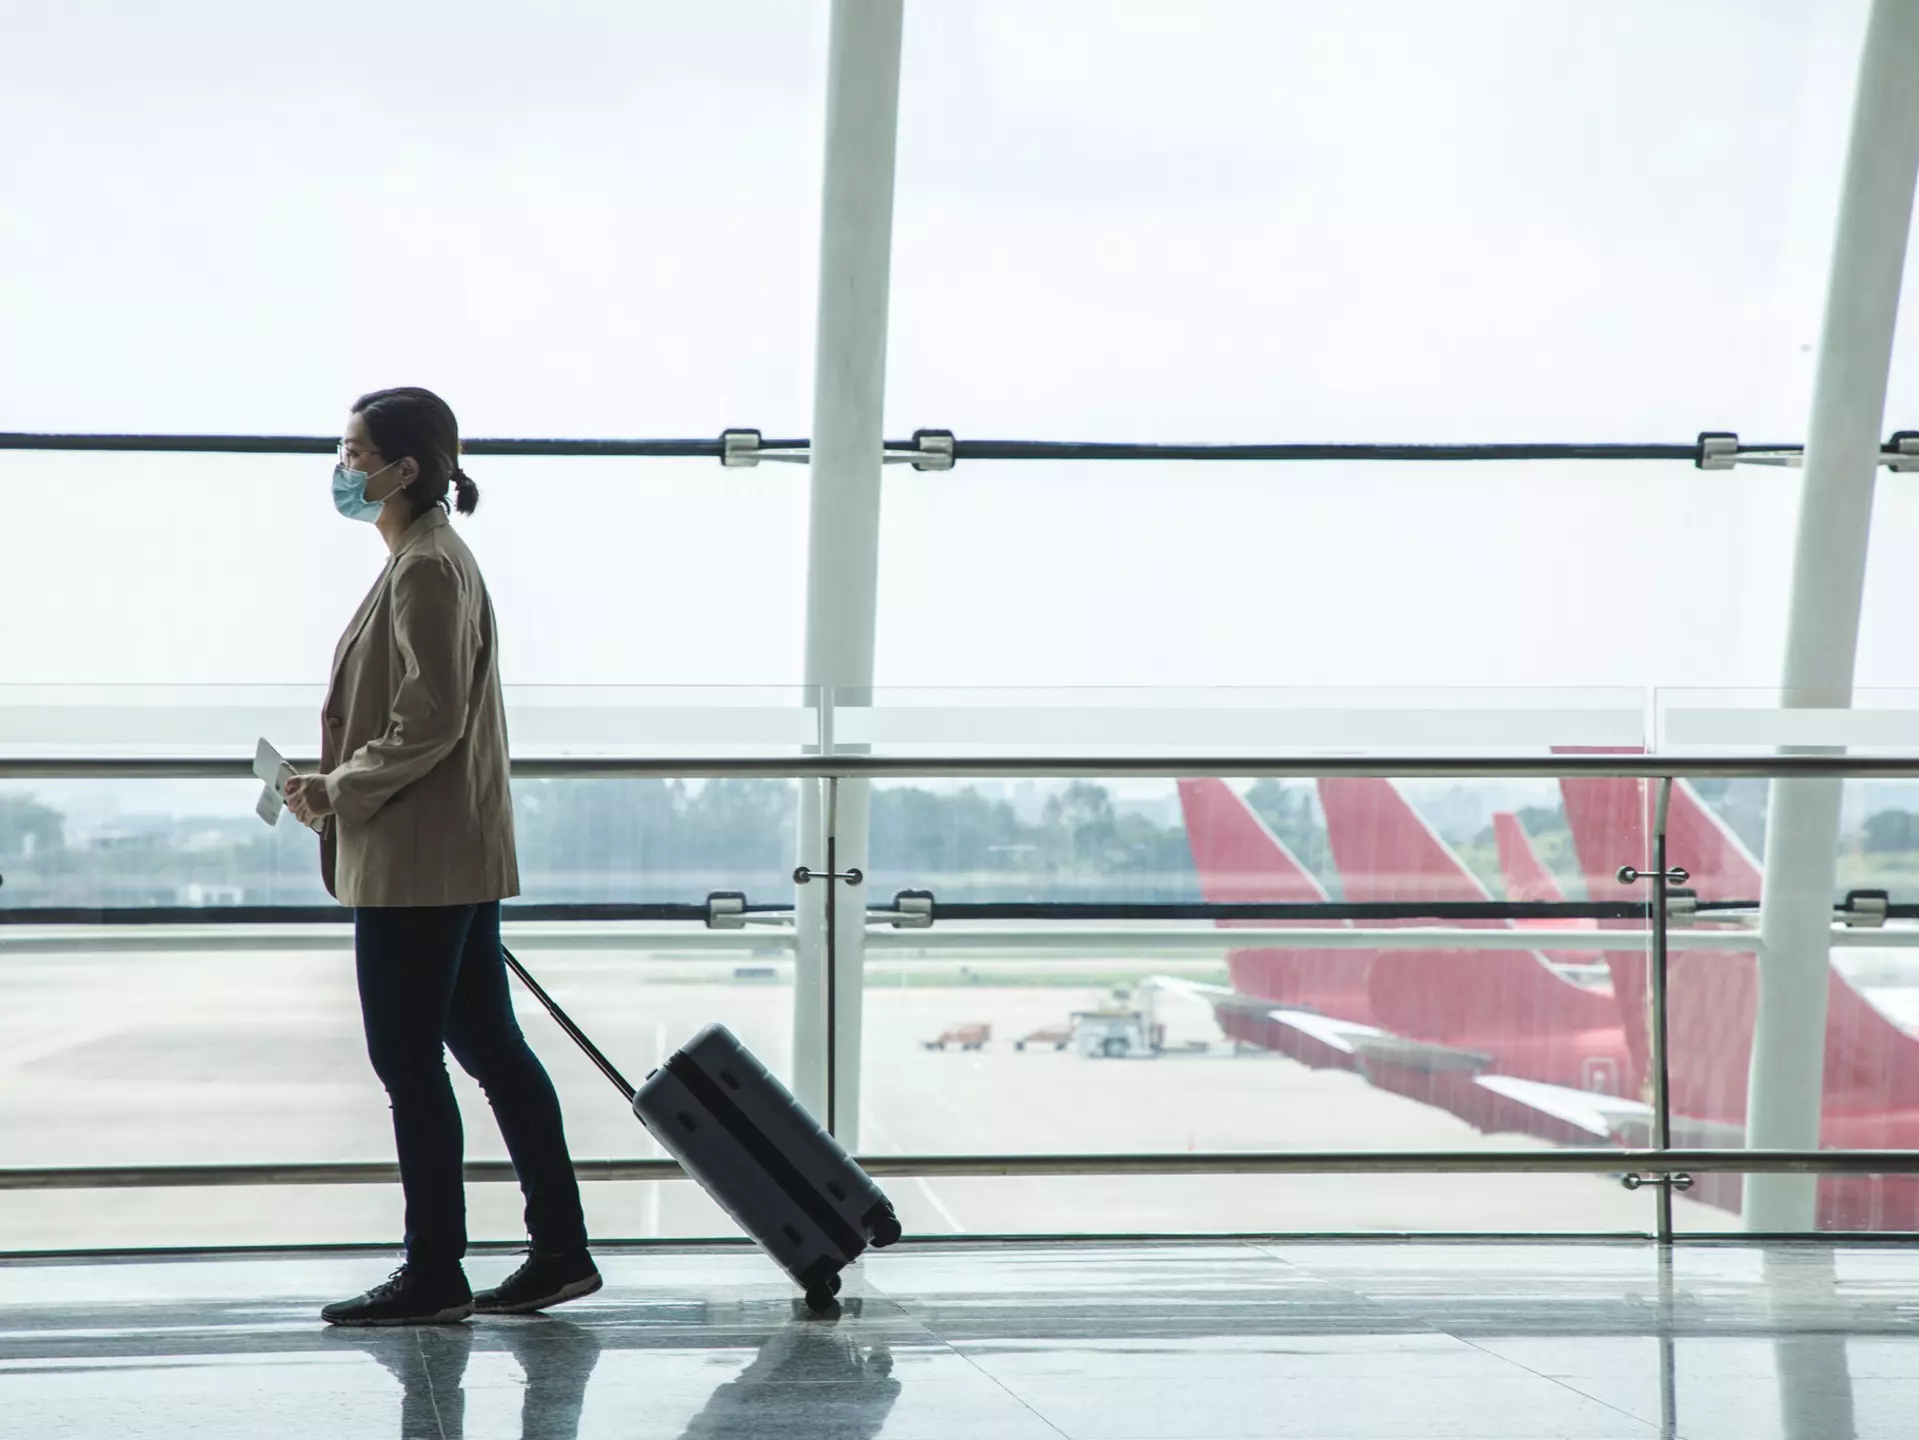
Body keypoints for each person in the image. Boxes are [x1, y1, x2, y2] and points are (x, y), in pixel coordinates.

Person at [286, 386, 600, 1325]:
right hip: (447, 851)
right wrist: (335, 781)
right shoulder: (427, 558)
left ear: (403, 469)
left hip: (419, 865)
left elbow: (427, 722)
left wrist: (338, 789)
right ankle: (559, 1251)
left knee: (409, 1064)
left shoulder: (426, 568)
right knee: (491, 1050)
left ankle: (435, 1273)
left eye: (353, 452)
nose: (342, 468)